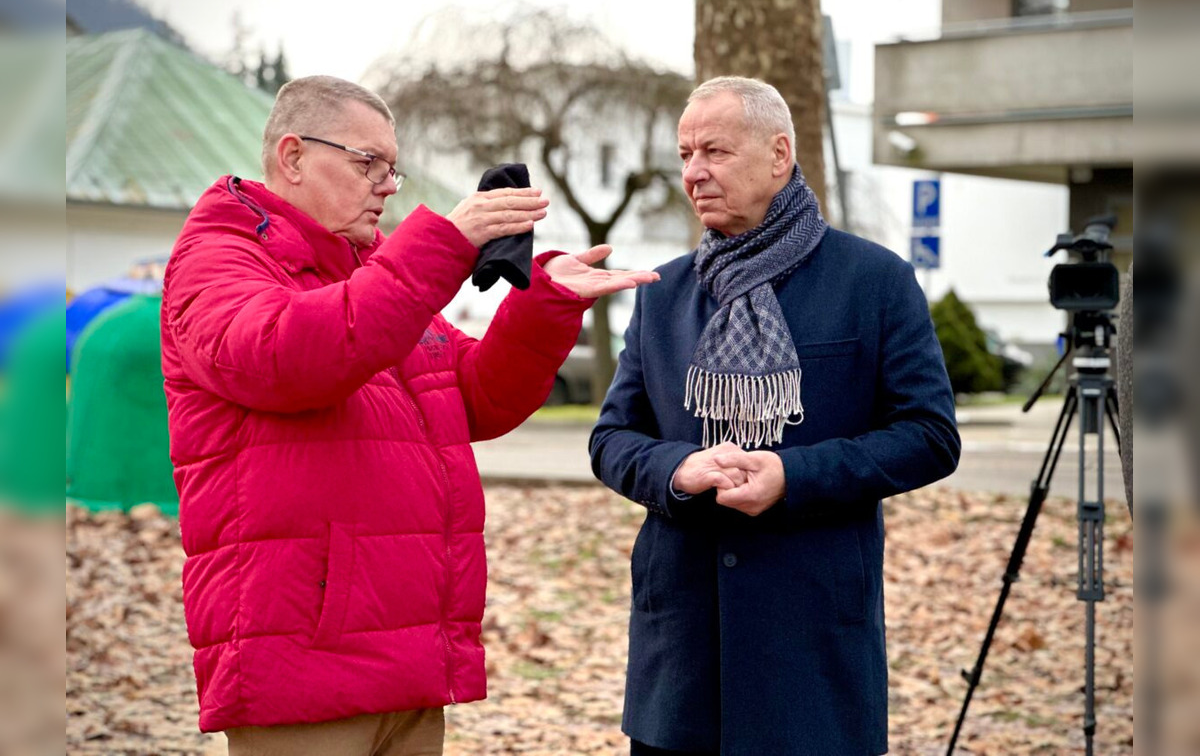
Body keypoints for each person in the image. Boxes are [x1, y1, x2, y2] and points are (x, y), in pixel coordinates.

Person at [160, 75, 658, 756]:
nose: (389, 185)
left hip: (406, 663)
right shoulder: (220, 258)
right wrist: (441, 246)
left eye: (392, 167)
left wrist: (544, 305)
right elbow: (291, 355)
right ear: (293, 156)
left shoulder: (371, 280)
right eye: (368, 163)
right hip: (305, 672)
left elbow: (476, 397)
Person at [589, 76, 961, 756]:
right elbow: (612, 438)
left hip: (812, 650)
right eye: (684, 154)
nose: (693, 172)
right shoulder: (662, 292)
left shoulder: (873, 281)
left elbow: (930, 436)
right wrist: (679, 468)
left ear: (779, 154)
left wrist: (793, 475)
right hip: (681, 657)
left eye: (715, 152)